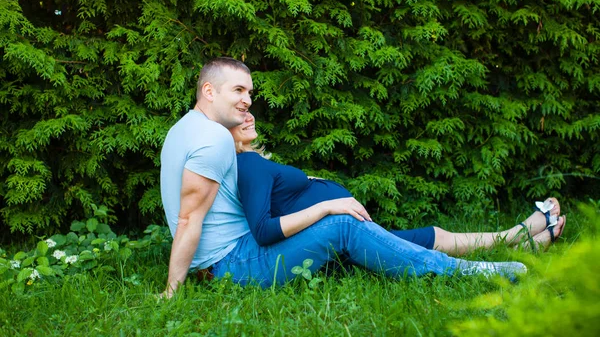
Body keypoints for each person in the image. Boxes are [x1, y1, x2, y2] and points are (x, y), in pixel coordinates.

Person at [161, 57, 529, 296]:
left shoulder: (185, 129)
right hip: (231, 264)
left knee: (355, 235)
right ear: (208, 91)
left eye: (250, 92)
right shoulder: (213, 141)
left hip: (230, 259)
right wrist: (172, 290)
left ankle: (504, 246)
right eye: (238, 91)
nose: (247, 102)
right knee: (343, 224)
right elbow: (189, 217)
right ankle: (473, 272)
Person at [229, 112, 566, 256]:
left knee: (428, 239)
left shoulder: (251, 162)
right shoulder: (247, 163)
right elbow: (263, 230)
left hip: (346, 238)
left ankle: (518, 239)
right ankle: (519, 237)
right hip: (340, 244)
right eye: (239, 111)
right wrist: (329, 205)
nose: (249, 113)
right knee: (431, 239)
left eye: (249, 105)